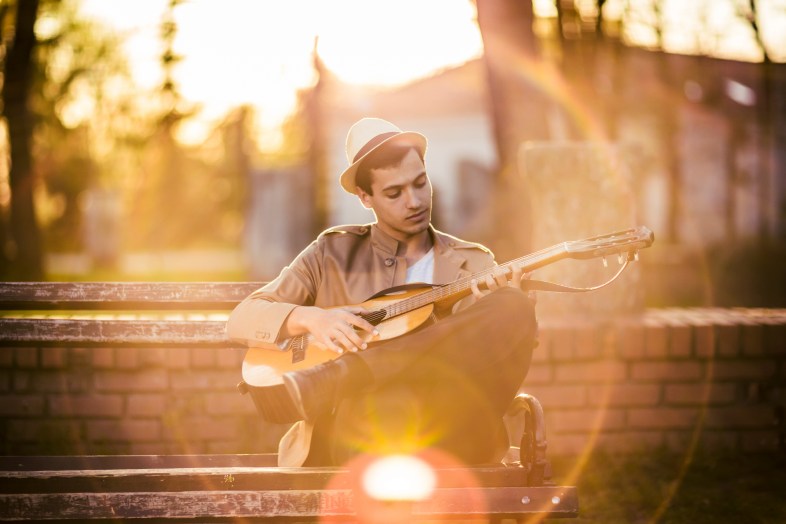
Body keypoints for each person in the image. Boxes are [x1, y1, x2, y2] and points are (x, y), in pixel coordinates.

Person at [227, 117, 538, 467]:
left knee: (514, 305)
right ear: (365, 197)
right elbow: (243, 317)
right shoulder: (330, 254)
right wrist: (312, 318)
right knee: (382, 408)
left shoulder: (474, 262)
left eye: (420, 183)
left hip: (447, 422)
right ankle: (354, 381)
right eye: (395, 193)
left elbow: (493, 367)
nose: (415, 201)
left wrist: (489, 310)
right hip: (357, 426)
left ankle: (346, 374)